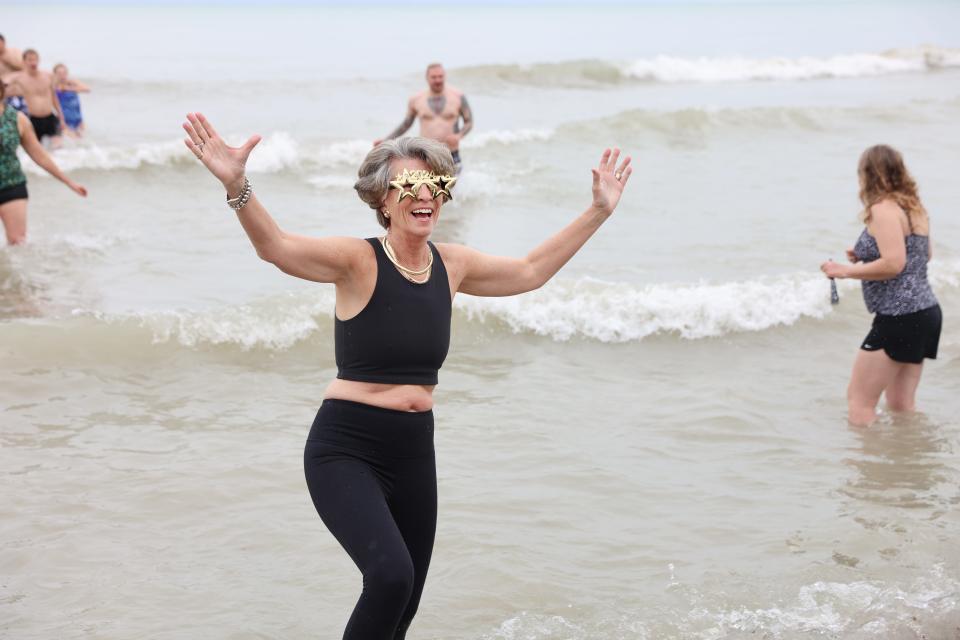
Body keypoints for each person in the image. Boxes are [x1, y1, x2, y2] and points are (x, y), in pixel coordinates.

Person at [182, 111, 630, 639]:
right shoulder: (357, 260)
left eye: (437, 184)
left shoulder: (452, 264)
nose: (427, 195)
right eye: (411, 184)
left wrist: (598, 211)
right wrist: (237, 184)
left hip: (415, 450)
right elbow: (275, 248)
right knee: (390, 576)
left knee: (407, 599)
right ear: (382, 199)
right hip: (346, 448)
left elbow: (530, 271)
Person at [821, 144, 941, 427]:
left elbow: (894, 264)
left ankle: (872, 470)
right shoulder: (914, 208)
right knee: (901, 404)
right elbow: (923, 255)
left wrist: (844, 271)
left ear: (868, 175)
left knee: (859, 402)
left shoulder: (883, 209)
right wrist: (867, 254)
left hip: (899, 317)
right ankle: (908, 460)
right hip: (926, 313)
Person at [0, 81, 87, 245]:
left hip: (11, 185)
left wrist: (69, 182)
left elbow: (39, 156)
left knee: (17, 243)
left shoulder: (18, 119)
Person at [374, 63, 473, 173]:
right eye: (434, 77)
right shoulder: (416, 99)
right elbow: (406, 124)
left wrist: (459, 135)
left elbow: (469, 122)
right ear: (427, 78)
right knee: (427, 188)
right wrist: (386, 140)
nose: (438, 80)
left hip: (450, 152)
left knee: (452, 187)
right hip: (426, 152)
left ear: (445, 76)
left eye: (440, 76)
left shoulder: (458, 97)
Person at [4, 49, 65, 147]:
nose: (33, 63)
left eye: (35, 60)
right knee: (37, 150)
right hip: (33, 120)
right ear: (24, 62)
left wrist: (61, 116)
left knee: (58, 148)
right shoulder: (19, 77)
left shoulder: (47, 76)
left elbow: (54, 97)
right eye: (30, 60)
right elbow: (4, 83)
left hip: (50, 117)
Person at [53, 63, 90, 137]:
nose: (62, 75)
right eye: (59, 73)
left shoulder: (71, 83)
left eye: (64, 73)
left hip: (77, 118)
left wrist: (68, 89)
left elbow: (87, 89)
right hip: (64, 119)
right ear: (55, 74)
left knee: (81, 143)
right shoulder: (54, 86)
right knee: (69, 140)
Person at [0, 34, 28, 115]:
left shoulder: (14, 52)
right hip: (4, 97)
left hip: (21, 95)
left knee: (24, 121)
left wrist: (7, 61)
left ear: (4, 42)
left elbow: (24, 68)